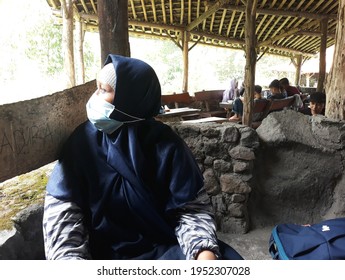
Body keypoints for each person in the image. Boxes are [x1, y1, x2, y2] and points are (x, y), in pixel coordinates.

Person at [42, 55, 243, 260]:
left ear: (130, 98)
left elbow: (191, 211)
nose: (94, 97)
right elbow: (63, 217)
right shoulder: (82, 144)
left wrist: (202, 254)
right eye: (97, 87)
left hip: (163, 248)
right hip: (102, 257)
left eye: (104, 90)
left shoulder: (166, 145)